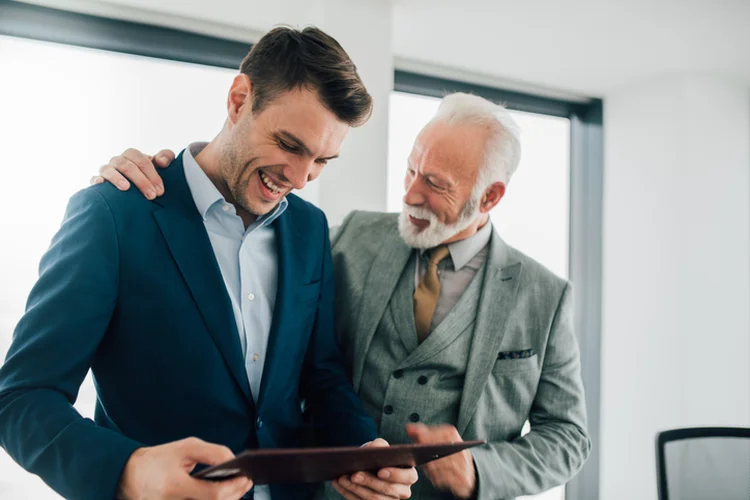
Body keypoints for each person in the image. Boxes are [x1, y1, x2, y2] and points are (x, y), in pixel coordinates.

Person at [95, 92, 591, 499]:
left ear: (490, 197)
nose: (411, 194)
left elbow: (568, 438)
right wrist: (145, 178)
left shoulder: (545, 296)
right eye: (412, 169)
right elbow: (250, 255)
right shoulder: (352, 235)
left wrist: (479, 471)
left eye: (435, 184)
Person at [0, 27, 417, 500]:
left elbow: (320, 375)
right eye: (289, 144)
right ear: (239, 100)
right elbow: (21, 398)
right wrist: (130, 470)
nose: (301, 178)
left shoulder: (309, 228)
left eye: (322, 160)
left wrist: (362, 450)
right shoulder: (114, 214)